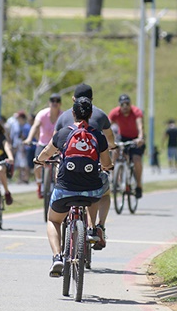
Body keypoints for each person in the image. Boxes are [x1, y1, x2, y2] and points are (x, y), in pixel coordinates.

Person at [35, 96, 113, 277]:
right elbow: (106, 162)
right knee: (99, 188)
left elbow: (46, 153)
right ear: (91, 114)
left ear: (73, 113)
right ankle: (93, 227)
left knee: (54, 220)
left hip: (65, 191)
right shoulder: (98, 136)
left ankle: (56, 257)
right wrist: (106, 166)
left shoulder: (62, 133)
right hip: (90, 193)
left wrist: (38, 160)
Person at [55, 83, 116, 250]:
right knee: (104, 192)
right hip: (91, 172)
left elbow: (54, 142)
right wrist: (112, 147)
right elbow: (110, 139)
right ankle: (98, 227)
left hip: (67, 174)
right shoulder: (101, 115)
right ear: (92, 101)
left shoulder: (63, 117)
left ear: (73, 100)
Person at [24, 94, 64, 198]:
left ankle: (58, 187)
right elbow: (35, 126)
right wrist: (29, 138)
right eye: (52, 101)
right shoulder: (42, 114)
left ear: (60, 104)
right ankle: (39, 184)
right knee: (37, 164)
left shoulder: (63, 116)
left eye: (57, 101)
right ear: (49, 103)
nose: (54, 103)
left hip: (57, 146)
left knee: (59, 166)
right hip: (43, 144)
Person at [108, 94, 145, 198]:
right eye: (122, 104)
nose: (125, 107)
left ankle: (138, 185)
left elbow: (140, 126)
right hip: (122, 137)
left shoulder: (136, 112)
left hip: (136, 138)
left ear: (130, 104)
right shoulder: (115, 112)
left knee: (136, 159)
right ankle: (114, 179)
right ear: (119, 105)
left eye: (127, 104)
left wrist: (140, 137)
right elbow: (106, 125)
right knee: (115, 152)